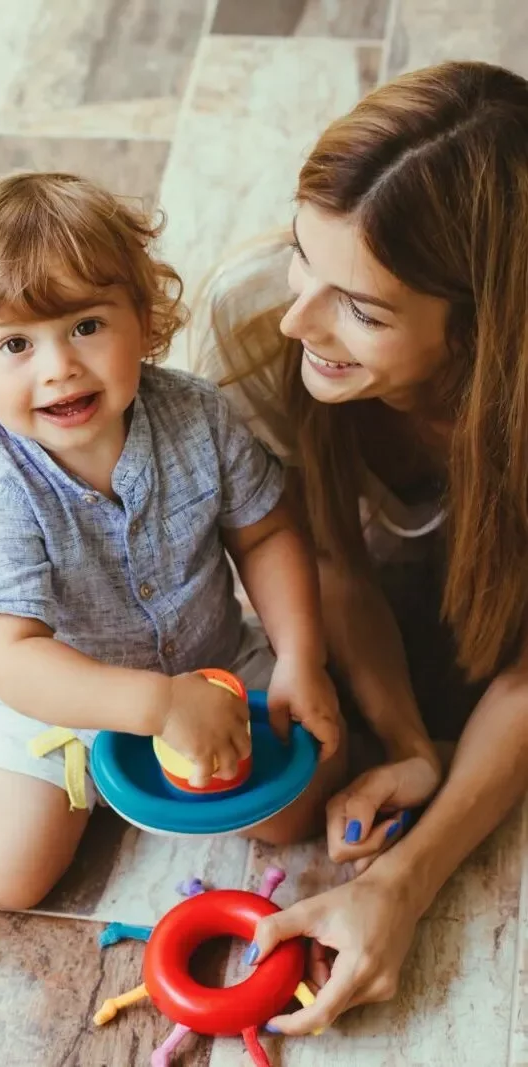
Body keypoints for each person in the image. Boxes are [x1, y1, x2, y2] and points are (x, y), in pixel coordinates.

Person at [0, 172, 343, 911]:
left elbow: (266, 534)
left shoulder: (196, 415)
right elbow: (18, 656)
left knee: (305, 799)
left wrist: (300, 656)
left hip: (210, 660)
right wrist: (155, 706)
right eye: (14, 343)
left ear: (143, 316)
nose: (58, 366)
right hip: (52, 699)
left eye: (85, 326)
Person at [191, 59, 528, 1034]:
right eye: (305, 253)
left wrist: (405, 882)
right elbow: (321, 553)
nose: (299, 318)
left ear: (479, 337)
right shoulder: (258, 317)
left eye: (362, 309)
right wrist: (413, 745)